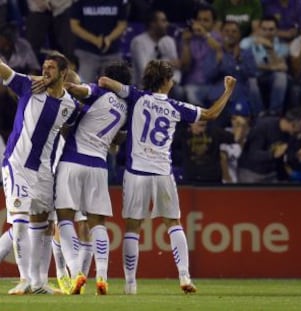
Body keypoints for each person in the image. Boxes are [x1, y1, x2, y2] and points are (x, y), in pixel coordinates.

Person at [98, 59, 236, 294]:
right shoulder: (175, 107)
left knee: (133, 227)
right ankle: (184, 276)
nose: (173, 82)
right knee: (173, 223)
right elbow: (211, 114)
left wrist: (116, 88)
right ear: (165, 81)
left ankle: (130, 285)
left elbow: (103, 81)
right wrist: (228, 90)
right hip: (162, 173)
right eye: (171, 78)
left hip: (136, 172)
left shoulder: (136, 96)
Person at [0, 52, 79, 294]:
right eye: (44, 67)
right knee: (20, 221)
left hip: (44, 169)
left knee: (45, 224)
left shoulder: (70, 106)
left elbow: (69, 133)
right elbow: (4, 70)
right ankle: (24, 279)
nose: (46, 71)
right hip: (18, 164)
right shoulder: (28, 85)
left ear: (63, 73)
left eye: (52, 68)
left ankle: (39, 282)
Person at [53, 61, 131, 295]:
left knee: (64, 218)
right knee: (97, 223)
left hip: (73, 160)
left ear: (107, 78)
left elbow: (76, 90)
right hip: (99, 165)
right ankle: (102, 276)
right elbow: (118, 141)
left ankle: (77, 271)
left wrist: (58, 83)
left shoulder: (97, 92)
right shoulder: (126, 108)